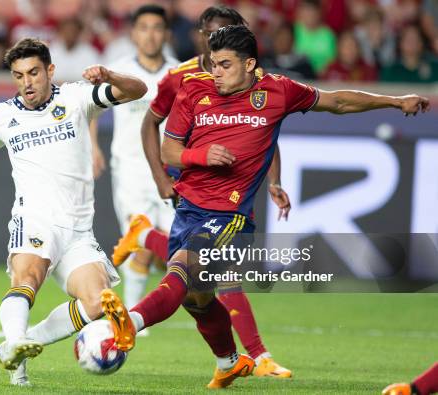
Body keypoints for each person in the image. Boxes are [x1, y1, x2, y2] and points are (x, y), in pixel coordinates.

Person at [101, 24, 429, 389]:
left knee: (182, 268)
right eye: (212, 63)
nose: (215, 72)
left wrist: (395, 101)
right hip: (188, 209)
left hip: (231, 217)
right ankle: (228, 362)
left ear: (250, 64)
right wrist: (202, 155)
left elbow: (337, 101)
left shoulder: (278, 91)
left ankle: (129, 323)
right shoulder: (193, 89)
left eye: (224, 64)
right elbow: (169, 150)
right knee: (197, 299)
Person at [0, 38, 147, 386]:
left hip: (78, 231)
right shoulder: (2, 115)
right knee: (27, 279)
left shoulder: (75, 98)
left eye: (33, 73)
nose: (26, 82)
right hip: (35, 220)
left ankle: (23, 346)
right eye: (18, 76)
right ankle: (16, 343)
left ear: (50, 71)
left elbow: (138, 89)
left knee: (96, 303)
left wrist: (109, 75)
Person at [114, 4, 293, 379]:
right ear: (201, 36)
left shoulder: (253, 78)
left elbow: (263, 132)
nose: (219, 42)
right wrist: (163, 179)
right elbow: (151, 125)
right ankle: (256, 357)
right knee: (198, 271)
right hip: (189, 185)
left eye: (228, 33)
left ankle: (144, 235)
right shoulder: (179, 77)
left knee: (198, 275)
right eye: (214, 36)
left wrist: (274, 181)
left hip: (229, 192)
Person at [89, 4, 178, 330]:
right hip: (130, 171)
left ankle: (138, 311)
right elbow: (91, 109)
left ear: (166, 34)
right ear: (133, 33)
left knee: (174, 250)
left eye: (157, 28)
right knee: (139, 240)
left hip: (171, 171)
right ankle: (134, 317)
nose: (151, 34)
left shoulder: (181, 72)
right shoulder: (119, 71)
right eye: (144, 27)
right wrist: (93, 146)